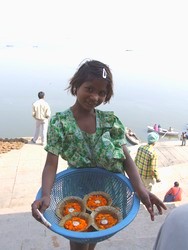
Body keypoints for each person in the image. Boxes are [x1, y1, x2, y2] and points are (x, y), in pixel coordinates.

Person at [31, 60, 166, 250]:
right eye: (89, 88)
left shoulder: (109, 121)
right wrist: (46, 194)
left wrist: (141, 189)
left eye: (102, 92)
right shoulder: (60, 123)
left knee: (96, 230)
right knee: (78, 237)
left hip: (107, 191)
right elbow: (51, 164)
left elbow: (125, 158)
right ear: (76, 86)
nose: (95, 97)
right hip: (75, 190)